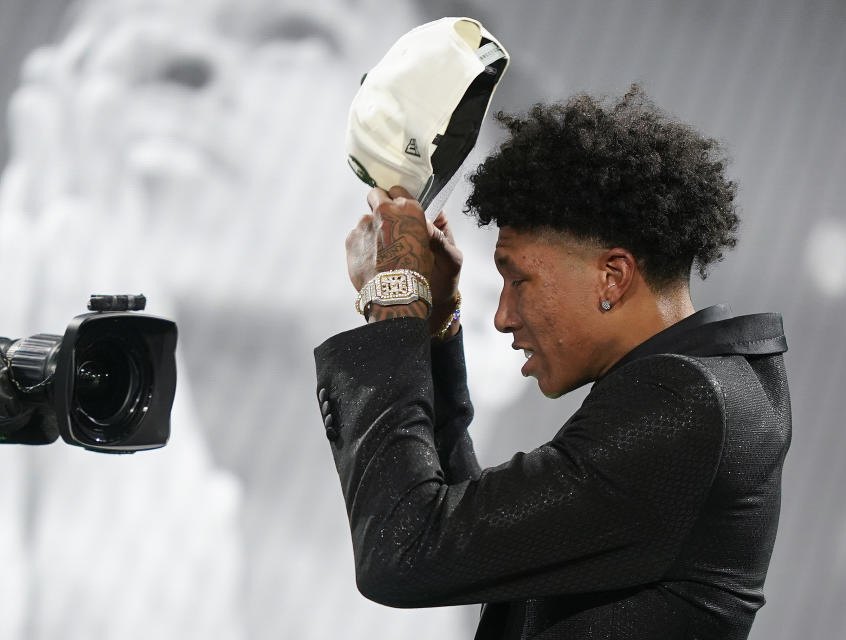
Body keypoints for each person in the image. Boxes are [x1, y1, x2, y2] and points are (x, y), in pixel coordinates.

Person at [314, 86, 791, 639]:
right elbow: (477, 537)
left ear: (612, 276)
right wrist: (436, 321)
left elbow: (406, 553)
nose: (502, 317)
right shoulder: (705, 388)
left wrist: (395, 297)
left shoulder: (686, 400)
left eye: (519, 281)